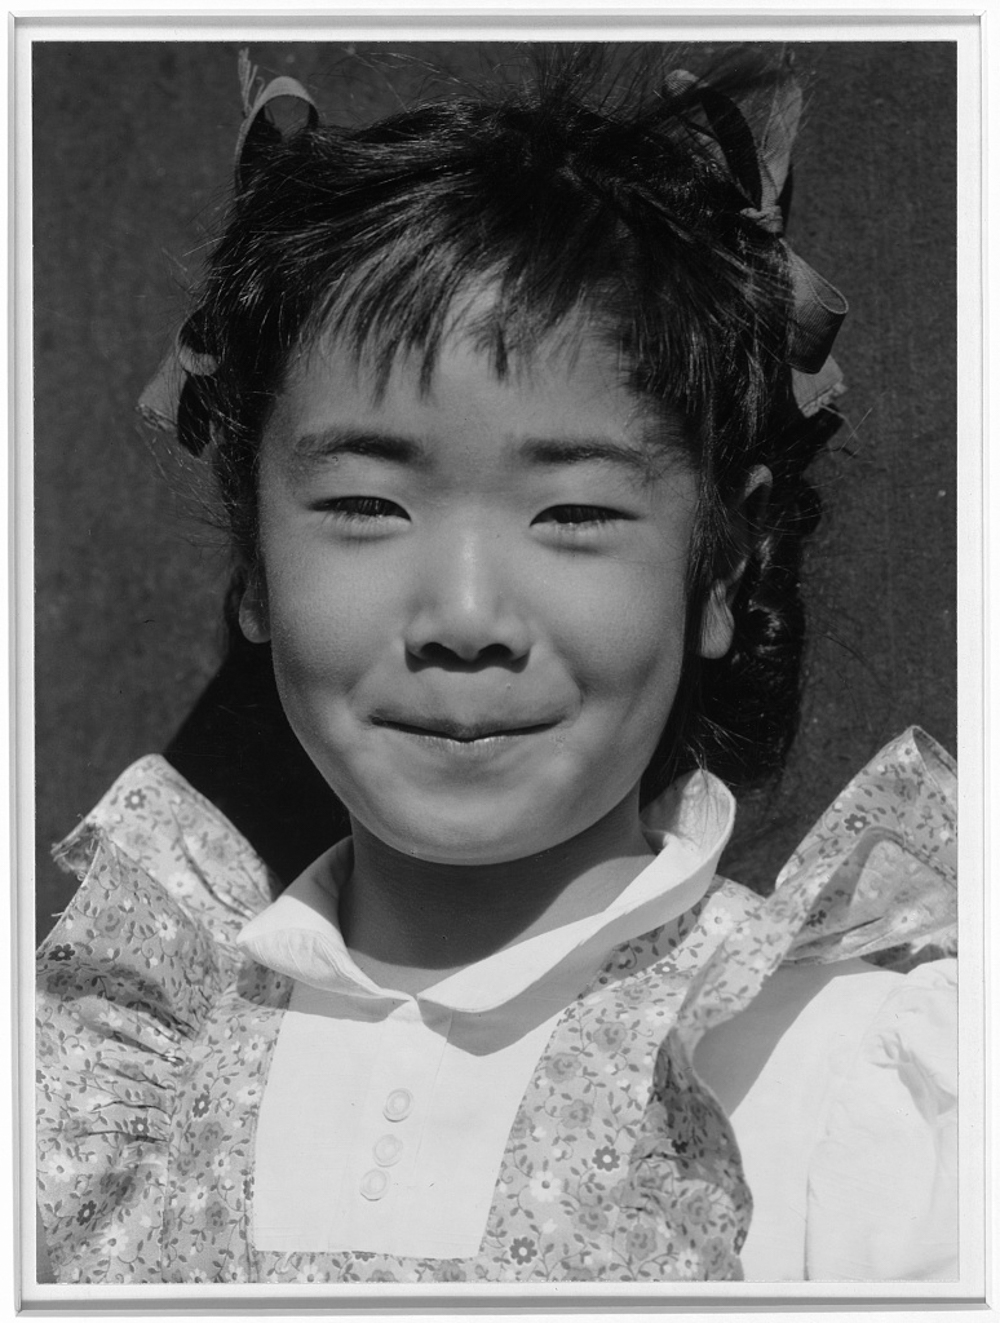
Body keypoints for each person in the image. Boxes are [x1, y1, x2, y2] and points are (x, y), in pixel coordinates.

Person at [36, 48, 957, 1285]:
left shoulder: (852, 1086)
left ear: (723, 572)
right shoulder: (99, 1080)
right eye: (365, 503)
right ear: (255, 567)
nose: (464, 615)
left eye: (573, 513)